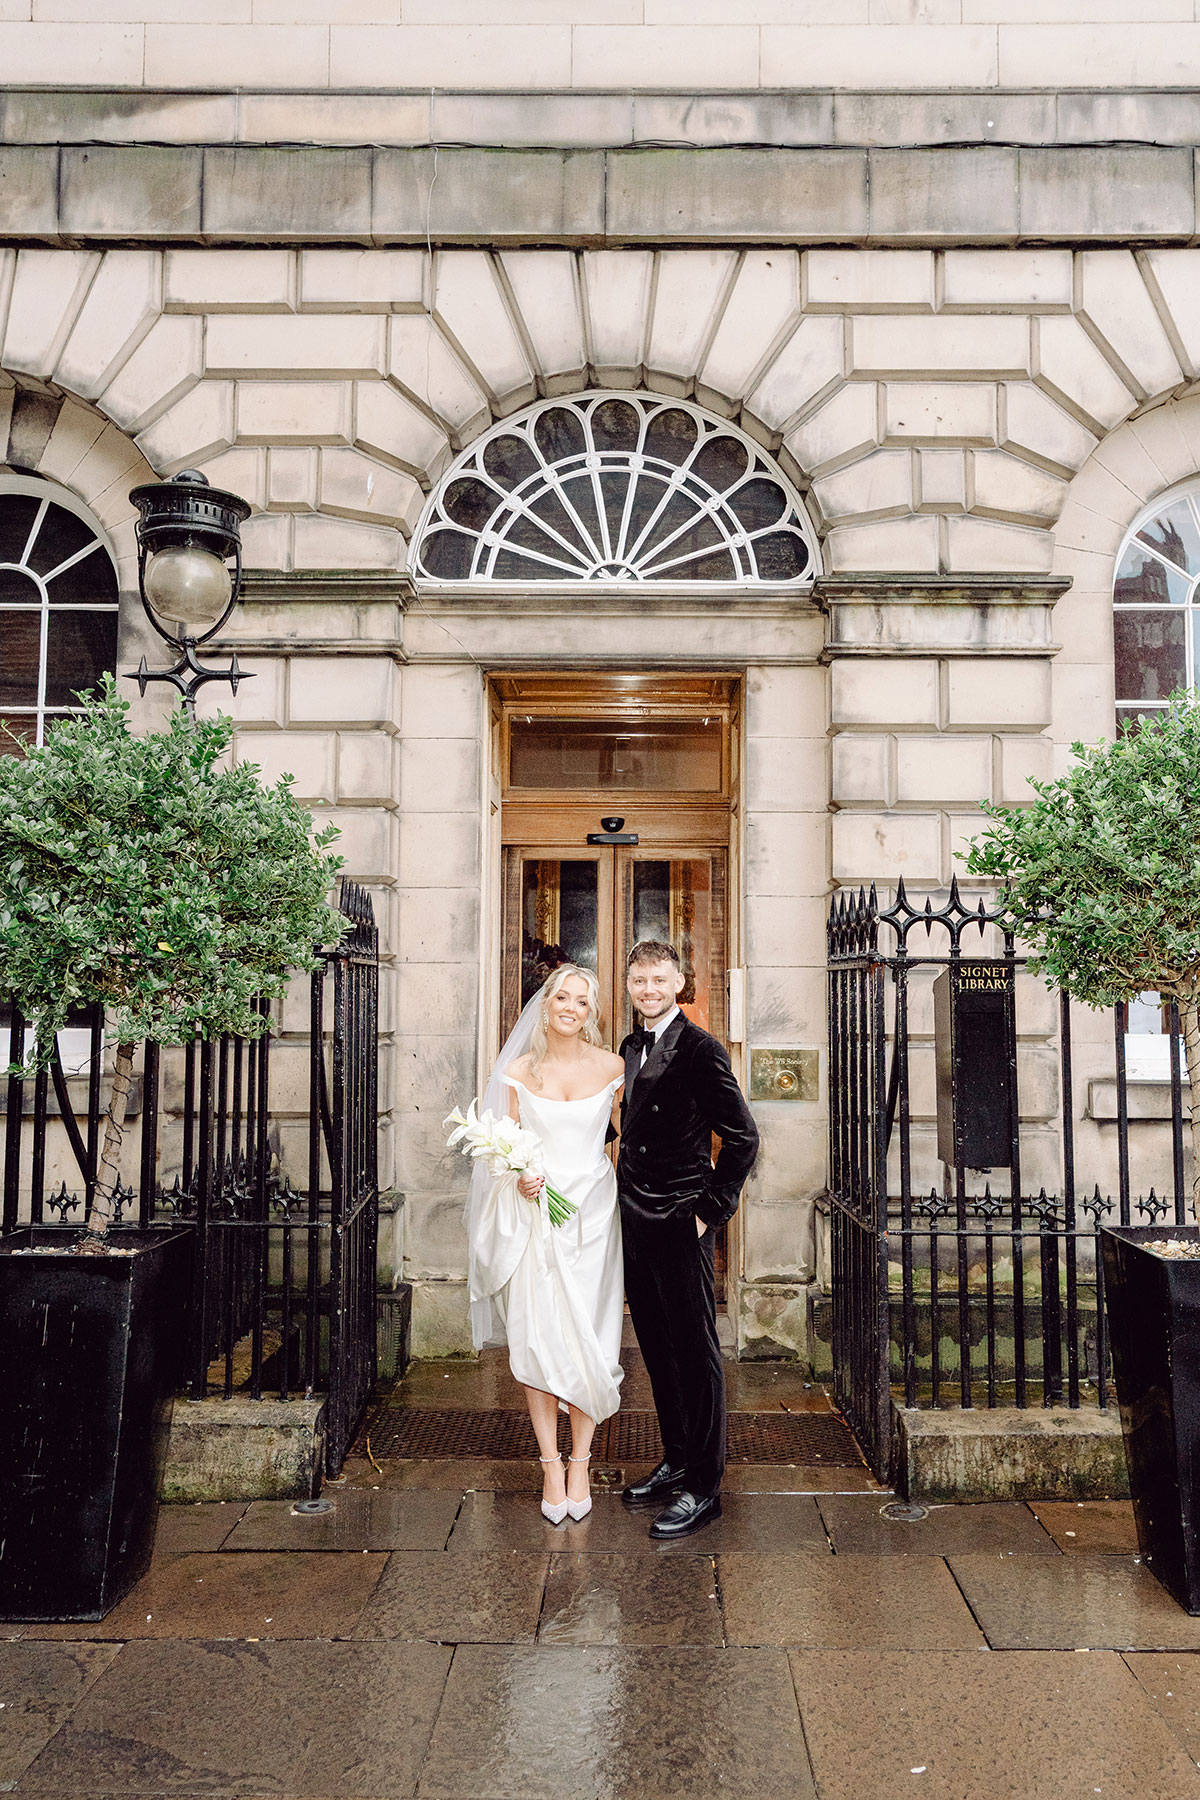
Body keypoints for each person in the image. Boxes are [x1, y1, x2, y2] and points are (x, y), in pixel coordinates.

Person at [464, 964, 625, 1524]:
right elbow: (500, 1149)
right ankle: (550, 1465)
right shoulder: (518, 1071)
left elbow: (634, 1137)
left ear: (592, 1011)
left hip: (595, 1219)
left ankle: (582, 1463)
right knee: (537, 1343)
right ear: (546, 1002)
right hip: (538, 1217)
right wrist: (520, 1175)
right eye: (563, 996)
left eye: (583, 1000)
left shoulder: (614, 1067)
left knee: (593, 1341)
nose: (572, 1006)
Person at [617, 940, 759, 1540]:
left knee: (697, 1355)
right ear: (629, 986)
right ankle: (676, 1459)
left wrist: (709, 1211)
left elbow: (743, 1138)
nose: (649, 989)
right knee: (655, 1345)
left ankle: (704, 1486)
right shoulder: (628, 1046)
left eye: (659, 979)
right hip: (632, 1216)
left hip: (680, 1218)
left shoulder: (702, 1050)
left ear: (680, 983)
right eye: (639, 980)